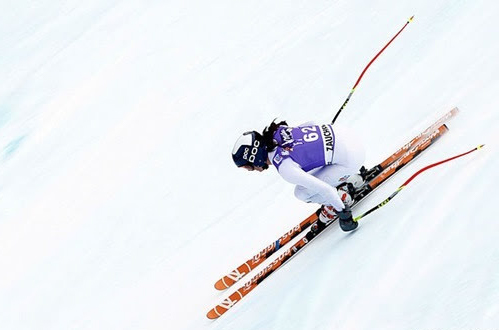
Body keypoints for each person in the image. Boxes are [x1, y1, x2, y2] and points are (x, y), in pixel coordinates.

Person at [231, 120, 365, 232]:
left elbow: (325, 189)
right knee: (306, 167)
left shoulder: (285, 167)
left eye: (248, 166)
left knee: (301, 192)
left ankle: (342, 198)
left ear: (254, 156)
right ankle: (349, 178)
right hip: (347, 134)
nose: (250, 170)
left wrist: (344, 214)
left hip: (352, 158)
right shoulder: (279, 131)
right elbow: (311, 124)